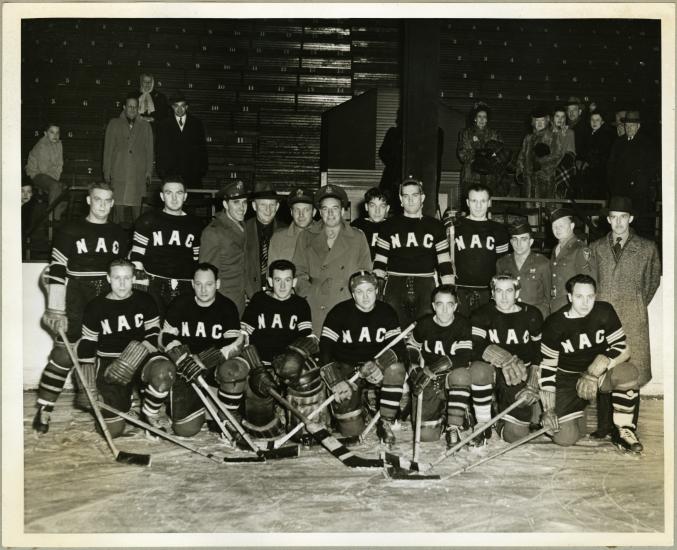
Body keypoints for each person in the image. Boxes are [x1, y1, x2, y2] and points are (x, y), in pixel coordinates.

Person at [33, 182, 128, 434]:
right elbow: (57, 269)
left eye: (108, 201)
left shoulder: (119, 233)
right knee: (65, 353)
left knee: (107, 355)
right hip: (76, 295)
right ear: (89, 200)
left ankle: (108, 410)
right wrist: (56, 309)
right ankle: (45, 408)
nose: (103, 205)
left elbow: (123, 273)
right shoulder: (70, 229)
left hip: (105, 299)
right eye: (98, 200)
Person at [538, 274, 643, 453]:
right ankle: (577, 411)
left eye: (590, 297)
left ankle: (624, 429)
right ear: (570, 297)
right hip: (567, 377)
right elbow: (548, 367)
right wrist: (548, 408)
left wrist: (600, 366)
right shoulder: (554, 323)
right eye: (579, 297)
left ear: (595, 295)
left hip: (597, 375)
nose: (585, 303)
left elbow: (624, 349)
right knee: (564, 437)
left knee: (627, 372)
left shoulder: (604, 311)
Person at [589, 196, 661, 439]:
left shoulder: (647, 248)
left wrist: (636, 303)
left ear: (631, 219)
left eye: (623, 218)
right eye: (613, 218)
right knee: (604, 366)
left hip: (633, 318)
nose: (618, 223)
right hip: (603, 318)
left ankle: (628, 426)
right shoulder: (596, 248)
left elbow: (650, 284)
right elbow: (592, 281)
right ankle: (604, 425)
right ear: (608, 220)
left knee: (633, 369)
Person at [76, 259, 171, 438]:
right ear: (108, 278)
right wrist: (86, 381)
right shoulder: (95, 306)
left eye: (127, 278)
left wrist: (132, 357)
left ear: (133, 278)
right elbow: (88, 344)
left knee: (164, 370)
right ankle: (129, 401)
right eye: (117, 278)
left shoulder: (145, 300)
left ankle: (149, 412)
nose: (122, 283)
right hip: (110, 365)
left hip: (141, 357)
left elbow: (153, 333)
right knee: (113, 431)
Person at [319, 271, 408, 446]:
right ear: (353, 294)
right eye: (359, 292)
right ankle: (362, 408)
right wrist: (335, 380)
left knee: (396, 369)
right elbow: (325, 348)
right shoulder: (339, 312)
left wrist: (380, 365)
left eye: (369, 290)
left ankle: (386, 421)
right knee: (351, 431)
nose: (365, 296)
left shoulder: (387, 312)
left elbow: (399, 348)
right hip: (347, 369)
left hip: (376, 367)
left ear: (376, 290)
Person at [160, 263, 244, 437]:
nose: (203, 290)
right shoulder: (180, 303)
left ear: (218, 284)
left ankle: (225, 414)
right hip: (187, 368)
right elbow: (164, 338)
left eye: (209, 284)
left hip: (213, 367)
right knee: (185, 430)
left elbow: (234, 343)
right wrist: (183, 357)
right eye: (198, 284)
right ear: (192, 284)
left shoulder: (227, 306)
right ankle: (197, 406)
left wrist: (204, 359)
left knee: (234, 368)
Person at [240, 259, 318, 440]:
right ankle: (270, 417)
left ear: (294, 282)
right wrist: (255, 367)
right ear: (269, 281)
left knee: (307, 380)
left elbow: (307, 338)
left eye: (287, 280)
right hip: (261, 365)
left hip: (288, 365)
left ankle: (295, 421)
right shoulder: (259, 300)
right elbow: (244, 335)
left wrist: (294, 360)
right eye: (277, 280)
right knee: (260, 424)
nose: (283, 285)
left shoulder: (300, 304)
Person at [470, 274, 543, 443]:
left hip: (518, 373)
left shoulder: (531, 314)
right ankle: (483, 423)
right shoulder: (481, 314)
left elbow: (540, 350)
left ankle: (499, 418)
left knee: (516, 436)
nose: (503, 296)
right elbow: (474, 346)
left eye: (509, 291)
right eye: (499, 291)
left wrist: (533, 380)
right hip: (493, 369)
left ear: (517, 293)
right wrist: (503, 358)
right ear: (492, 294)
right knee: (478, 370)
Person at [373, 177, 453, 328]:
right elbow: (380, 262)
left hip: (426, 283)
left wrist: (450, 291)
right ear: (400, 199)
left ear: (422, 197)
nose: (410, 200)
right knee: (393, 327)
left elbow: (444, 262)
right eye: (406, 196)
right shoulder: (388, 226)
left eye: (415, 195)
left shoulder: (436, 226)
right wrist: (376, 291)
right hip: (395, 284)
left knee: (426, 328)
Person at [293, 184, 372, 335]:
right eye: (325, 209)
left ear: (342, 210)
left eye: (334, 208)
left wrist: (358, 300)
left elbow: (365, 273)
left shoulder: (357, 237)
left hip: (347, 303)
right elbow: (298, 271)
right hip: (316, 305)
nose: (330, 213)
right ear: (319, 212)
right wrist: (308, 294)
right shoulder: (306, 236)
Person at [407, 285, 474, 447]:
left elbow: (464, 357)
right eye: (439, 304)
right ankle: (442, 414)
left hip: (450, 376)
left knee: (461, 375)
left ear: (456, 306)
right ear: (433, 305)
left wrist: (434, 368)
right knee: (426, 436)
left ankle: (454, 423)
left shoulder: (463, 324)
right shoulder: (424, 324)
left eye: (449, 304)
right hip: (429, 378)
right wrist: (415, 367)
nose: (444, 310)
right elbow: (411, 347)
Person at [130, 176, 204, 318]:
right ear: (162, 196)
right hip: (154, 283)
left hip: (185, 285)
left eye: (179, 193)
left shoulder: (196, 224)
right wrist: (140, 288)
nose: (174, 198)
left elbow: (196, 260)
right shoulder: (148, 220)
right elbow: (137, 258)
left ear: (185, 196)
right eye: (169, 193)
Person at [447, 182, 510, 318]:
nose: (478, 205)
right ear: (467, 202)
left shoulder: (499, 230)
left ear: (489, 203)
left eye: (483, 201)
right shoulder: (454, 227)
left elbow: (503, 263)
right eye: (474, 201)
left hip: (488, 292)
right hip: (459, 290)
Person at [199, 180, 249, 316]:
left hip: (241, 298)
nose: (242, 207)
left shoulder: (243, 226)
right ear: (225, 204)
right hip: (223, 301)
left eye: (244, 202)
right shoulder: (213, 232)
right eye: (236, 202)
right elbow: (206, 275)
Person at [103, 93, 153, 227]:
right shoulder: (114, 124)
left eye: (135, 107)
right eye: (129, 106)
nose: (132, 109)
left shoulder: (146, 126)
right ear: (124, 107)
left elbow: (149, 151)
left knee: (138, 214)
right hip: (119, 172)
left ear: (138, 108)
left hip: (138, 174)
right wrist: (106, 171)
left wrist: (149, 171)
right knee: (118, 213)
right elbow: (108, 150)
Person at [606, 111, 658, 239]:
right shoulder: (618, 143)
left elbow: (650, 169)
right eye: (627, 125)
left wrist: (640, 185)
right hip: (620, 194)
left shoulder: (647, 144)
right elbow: (610, 167)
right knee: (621, 228)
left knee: (639, 228)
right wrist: (614, 189)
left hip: (638, 194)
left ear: (638, 126)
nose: (629, 128)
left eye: (632, 125)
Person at [496, 222, 551, 318]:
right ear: (511, 242)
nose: (519, 244)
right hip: (510, 316)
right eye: (515, 239)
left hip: (535, 316)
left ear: (531, 241)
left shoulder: (543, 263)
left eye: (523, 239)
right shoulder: (502, 263)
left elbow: (549, 297)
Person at [549, 207, 597, 312]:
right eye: (554, 226)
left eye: (561, 225)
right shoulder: (556, 249)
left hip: (572, 308)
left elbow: (589, 284)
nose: (557, 229)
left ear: (572, 226)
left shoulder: (581, 249)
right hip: (556, 306)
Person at [156, 92, 208, 187]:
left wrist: (201, 170)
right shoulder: (164, 125)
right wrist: (162, 172)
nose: (179, 109)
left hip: (192, 175)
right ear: (172, 107)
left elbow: (202, 149)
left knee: (193, 201)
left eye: (182, 106)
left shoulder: (197, 124)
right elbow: (160, 150)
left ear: (187, 107)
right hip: (171, 175)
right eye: (176, 106)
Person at [457, 102, 505, 206]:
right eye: (479, 116)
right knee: (470, 206)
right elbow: (462, 155)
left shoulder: (495, 134)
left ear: (487, 119)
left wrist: (492, 156)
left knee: (488, 207)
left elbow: (501, 155)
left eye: (484, 117)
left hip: (490, 178)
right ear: (475, 118)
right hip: (471, 177)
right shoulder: (466, 133)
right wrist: (479, 153)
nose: (482, 119)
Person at [244, 182, 286, 296]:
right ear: (254, 206)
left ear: (277, 207)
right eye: (263, 205)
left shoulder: (286, 232)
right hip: (248, 296)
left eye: (272, 205)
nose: (268, 210)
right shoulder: (242, 231)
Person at [516, 106, 566, 199]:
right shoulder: (528, 138)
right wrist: (519, 172)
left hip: (545, 180)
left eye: (542, 121)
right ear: (533, 122)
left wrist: (541, 163)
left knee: (544, 209)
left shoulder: (553, 137)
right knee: (529, 210)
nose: (539, 123)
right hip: (528, 182)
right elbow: (521, 156)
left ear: (547, 121)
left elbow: (558, 156)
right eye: (537, 121)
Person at [25, 123, 66, 221]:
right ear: (45, 134)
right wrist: (54, 183)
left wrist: (55, 181)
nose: (55, 135)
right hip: (35, 175)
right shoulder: (42, 145)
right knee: (56, 187)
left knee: (64, 188)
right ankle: (51, 220)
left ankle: (56, 217)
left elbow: (60, 165)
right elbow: (44, 169)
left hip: (49, 176)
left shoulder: (59, 144)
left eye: (57, 133)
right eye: (52, 132)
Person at [267, 186, 318, 266]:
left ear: (314, 212)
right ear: (291, 212)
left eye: (306, 210)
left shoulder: (325, 235)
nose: (301, 215)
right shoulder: (278, 238)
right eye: (297, 210)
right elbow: (272, 273)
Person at [580, 109, 615, 199]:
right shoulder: (591, 134)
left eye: (597, 120)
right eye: (592, 120)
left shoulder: (605, 136)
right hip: (591, 174)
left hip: (599, 175)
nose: (594, 122)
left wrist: (588, 162)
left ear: (602, 122)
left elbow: (602, 156)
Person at [350, 187, 391, 260]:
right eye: (373, 206)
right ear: (366, 207)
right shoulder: (357, 225)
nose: (377, 211)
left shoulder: (393, 226)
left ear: (387, 208)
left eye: (382, 206)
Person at [378, 110, 403, 214]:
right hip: (390, 180)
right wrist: (395, 163)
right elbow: (382, 152)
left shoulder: (415, 136)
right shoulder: (393, 133)